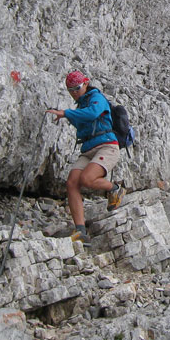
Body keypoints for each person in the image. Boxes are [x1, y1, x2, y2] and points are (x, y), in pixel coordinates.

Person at [47, 70, 125, 243]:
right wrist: (62, 114)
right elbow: (81, 120)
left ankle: (115, 189)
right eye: (71, 90)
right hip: (89, 149)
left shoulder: (97, 98)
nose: (74, 92)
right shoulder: (81, 104)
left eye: (77, 88)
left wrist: (66, 113)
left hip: (107, 146)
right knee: (72, 182)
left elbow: (92, 114)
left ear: (86, 83)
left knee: (87, 179)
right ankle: (80, 230)